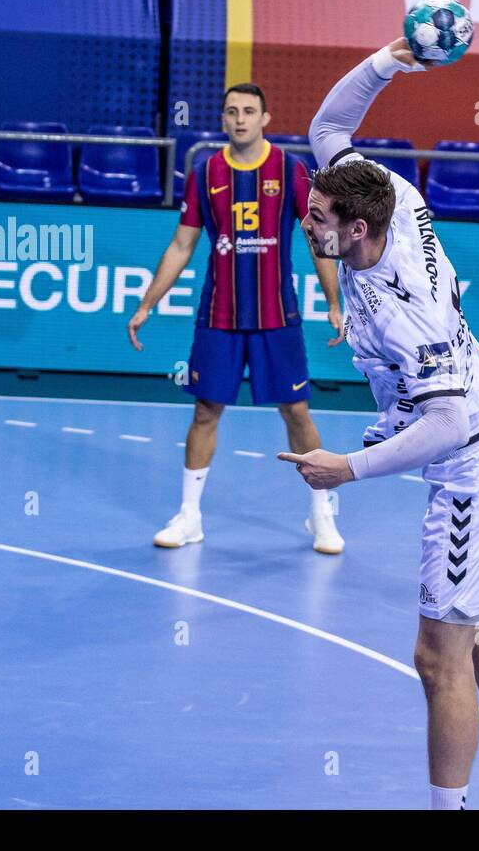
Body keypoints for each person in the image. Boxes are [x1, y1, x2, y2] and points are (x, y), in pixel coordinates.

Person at [278, 37, 479, 810]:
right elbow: (329, 127)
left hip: (475, 467)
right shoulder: (388, 193)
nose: (308, 220)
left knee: (438, 654)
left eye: (319, 218)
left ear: (357, 231)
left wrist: (345, 470)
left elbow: (446, 426)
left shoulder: (406, 313)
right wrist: (391, 58)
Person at [128, 84, 345, 554]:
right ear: (223, 120)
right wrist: (147, 303)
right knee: (205, 411)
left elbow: (318, 240)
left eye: (249, 111)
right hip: (218, 317)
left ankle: (320, 514)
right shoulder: (204, 173)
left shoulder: (291, 171)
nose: (240, 119)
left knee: (297, 413)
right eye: (231, 111)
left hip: (277, 316)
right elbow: (182, 245)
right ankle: (189, 517)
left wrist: (334, 303)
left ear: (266, 118)